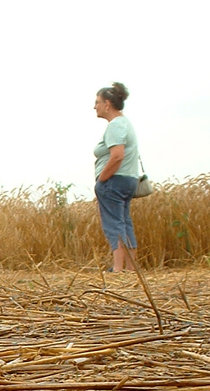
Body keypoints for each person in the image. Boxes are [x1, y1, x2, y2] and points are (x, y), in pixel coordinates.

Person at [94, 82, 141, 273]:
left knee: (114, 224)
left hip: (114, 180)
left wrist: (102, 179)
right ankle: (131, 268)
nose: (94, 106)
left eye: (97, 102)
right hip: (128, 179)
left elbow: (117, 155)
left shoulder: (115, 125)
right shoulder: (125, 123)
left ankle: (118, 268)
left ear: (107, 104)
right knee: (124, 221)